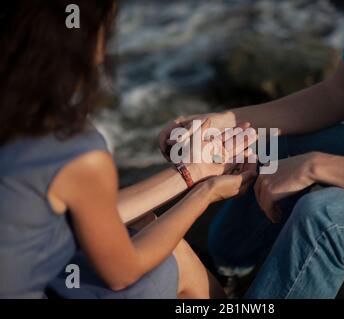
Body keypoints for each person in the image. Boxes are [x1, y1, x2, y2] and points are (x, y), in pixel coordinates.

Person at [159, 0, 344, 298]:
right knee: (278, 143)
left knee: (324, 220)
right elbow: (335, 96)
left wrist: (314, 165)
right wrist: (219, 123)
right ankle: (222, 278)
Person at [0, 0, 257, 299]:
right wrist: (207, 191)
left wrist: (193, 173)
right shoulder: (70, 145)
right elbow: (123, 273)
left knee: (144, 224)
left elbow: (98, 210)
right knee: (175, 258)